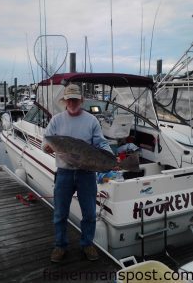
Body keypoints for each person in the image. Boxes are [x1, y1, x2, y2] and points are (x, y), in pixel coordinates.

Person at [43, 83, 118, 263]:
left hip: (87, 174)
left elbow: (101, 143)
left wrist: (111, 160)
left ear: (81, 100)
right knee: (60, 212)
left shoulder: (91, 120)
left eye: (76, 99)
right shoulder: (56, 120)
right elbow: (46, 141)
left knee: (90, 213)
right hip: (64, 173)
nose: (72, 102)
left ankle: (87, 244)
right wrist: (46, 147)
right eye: (69, 99)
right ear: (65, 101)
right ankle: (60, 246)